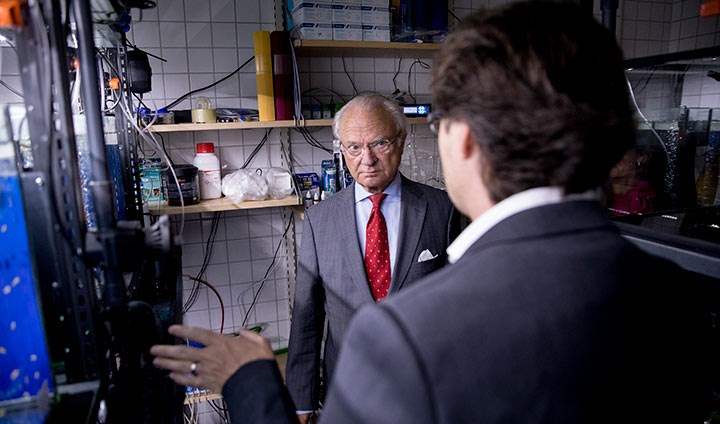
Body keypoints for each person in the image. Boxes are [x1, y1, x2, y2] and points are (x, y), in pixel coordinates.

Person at [151, 1, 715, 422]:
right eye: (352, 146)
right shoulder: (679, 299)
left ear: (461, 141)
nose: (366, 157)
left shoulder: (405, 339)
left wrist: (250, 384)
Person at [287, 92, 461, 422]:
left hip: (425, 390)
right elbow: (306, 319)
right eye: (353, 147)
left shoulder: (442, 209)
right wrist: (301, 400)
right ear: (342, 149)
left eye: (379, 143)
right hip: (348, 390)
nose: (366, 159)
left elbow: (460, 310)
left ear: (401, 140)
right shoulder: (319, 220)